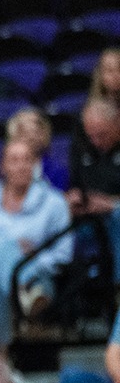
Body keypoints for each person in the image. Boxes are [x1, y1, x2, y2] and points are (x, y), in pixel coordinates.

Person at [0, 139, 71, 349]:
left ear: (36, 165)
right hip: (29, 286)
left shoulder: (54, 203)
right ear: (3, 166)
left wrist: (32, 259)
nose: (21, 166)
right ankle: (25, 288)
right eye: (14, 160)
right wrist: (10, 250)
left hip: (41, 275)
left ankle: (0, 353)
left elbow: (63, 254)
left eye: (27, 160)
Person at [68, 97, 120, 271]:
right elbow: (73, 185)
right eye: (91, 136)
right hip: (87, 217)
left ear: (117, 124)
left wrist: (112, 204)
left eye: (102, 135)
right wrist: (73, 199)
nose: (96, 141)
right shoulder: (82, 147)